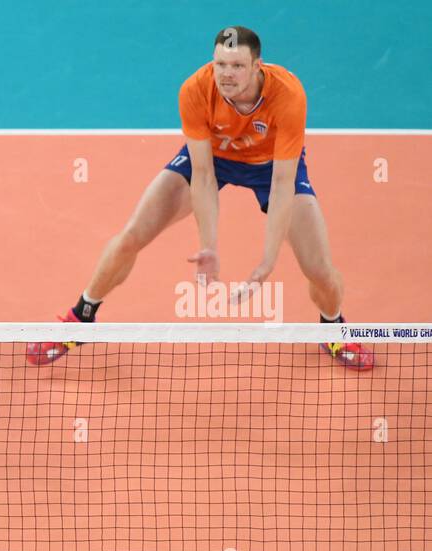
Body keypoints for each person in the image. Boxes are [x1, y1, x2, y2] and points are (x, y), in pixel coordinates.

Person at [32, 25, 373, 371]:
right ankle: (81, 318)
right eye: (220, 64)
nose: (226, 74)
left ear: (257, 66)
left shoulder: (287, 94)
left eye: (237, 66)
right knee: (132, 236)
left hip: (271, 168)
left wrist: (267, 262)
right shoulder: (196, 89)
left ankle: (333, 326)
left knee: (320, 270)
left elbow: (283, 182)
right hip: (214, 159)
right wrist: (208, 245)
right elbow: (204, 175)